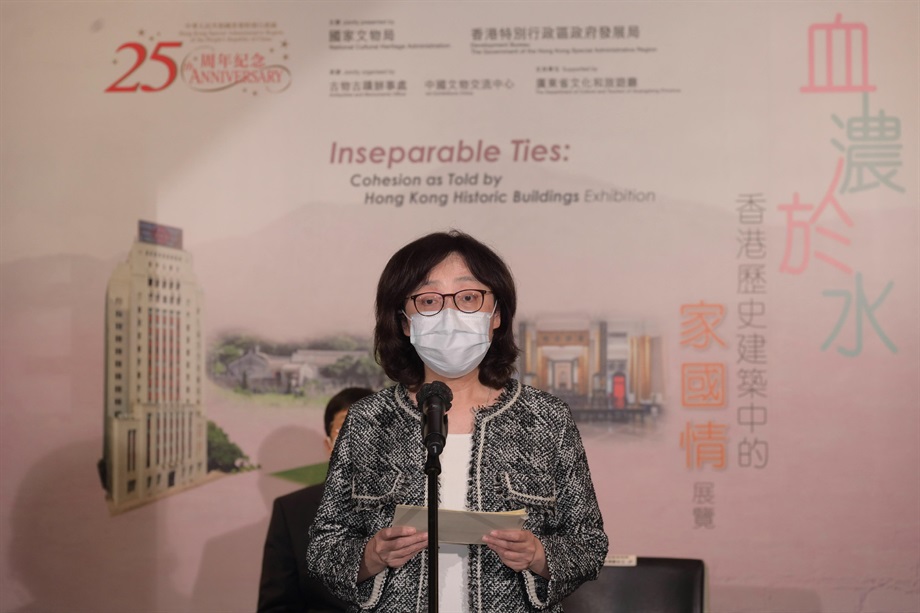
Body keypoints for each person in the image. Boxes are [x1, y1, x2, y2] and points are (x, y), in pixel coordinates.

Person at [306, 231, 607, 612]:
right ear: (404, 321)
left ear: (496, 314)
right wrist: (371, 555)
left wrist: (538, 554)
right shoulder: (369, 420)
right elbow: (323, 546)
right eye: (429, 300)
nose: (450, 315)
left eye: (468, 298)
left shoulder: (546, 419)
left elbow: (589, 543)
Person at [258, 387, 374, 613]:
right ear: (328, 446)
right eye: (345, 428)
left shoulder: (416, 506)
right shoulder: (291, 512)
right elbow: (277, 606)